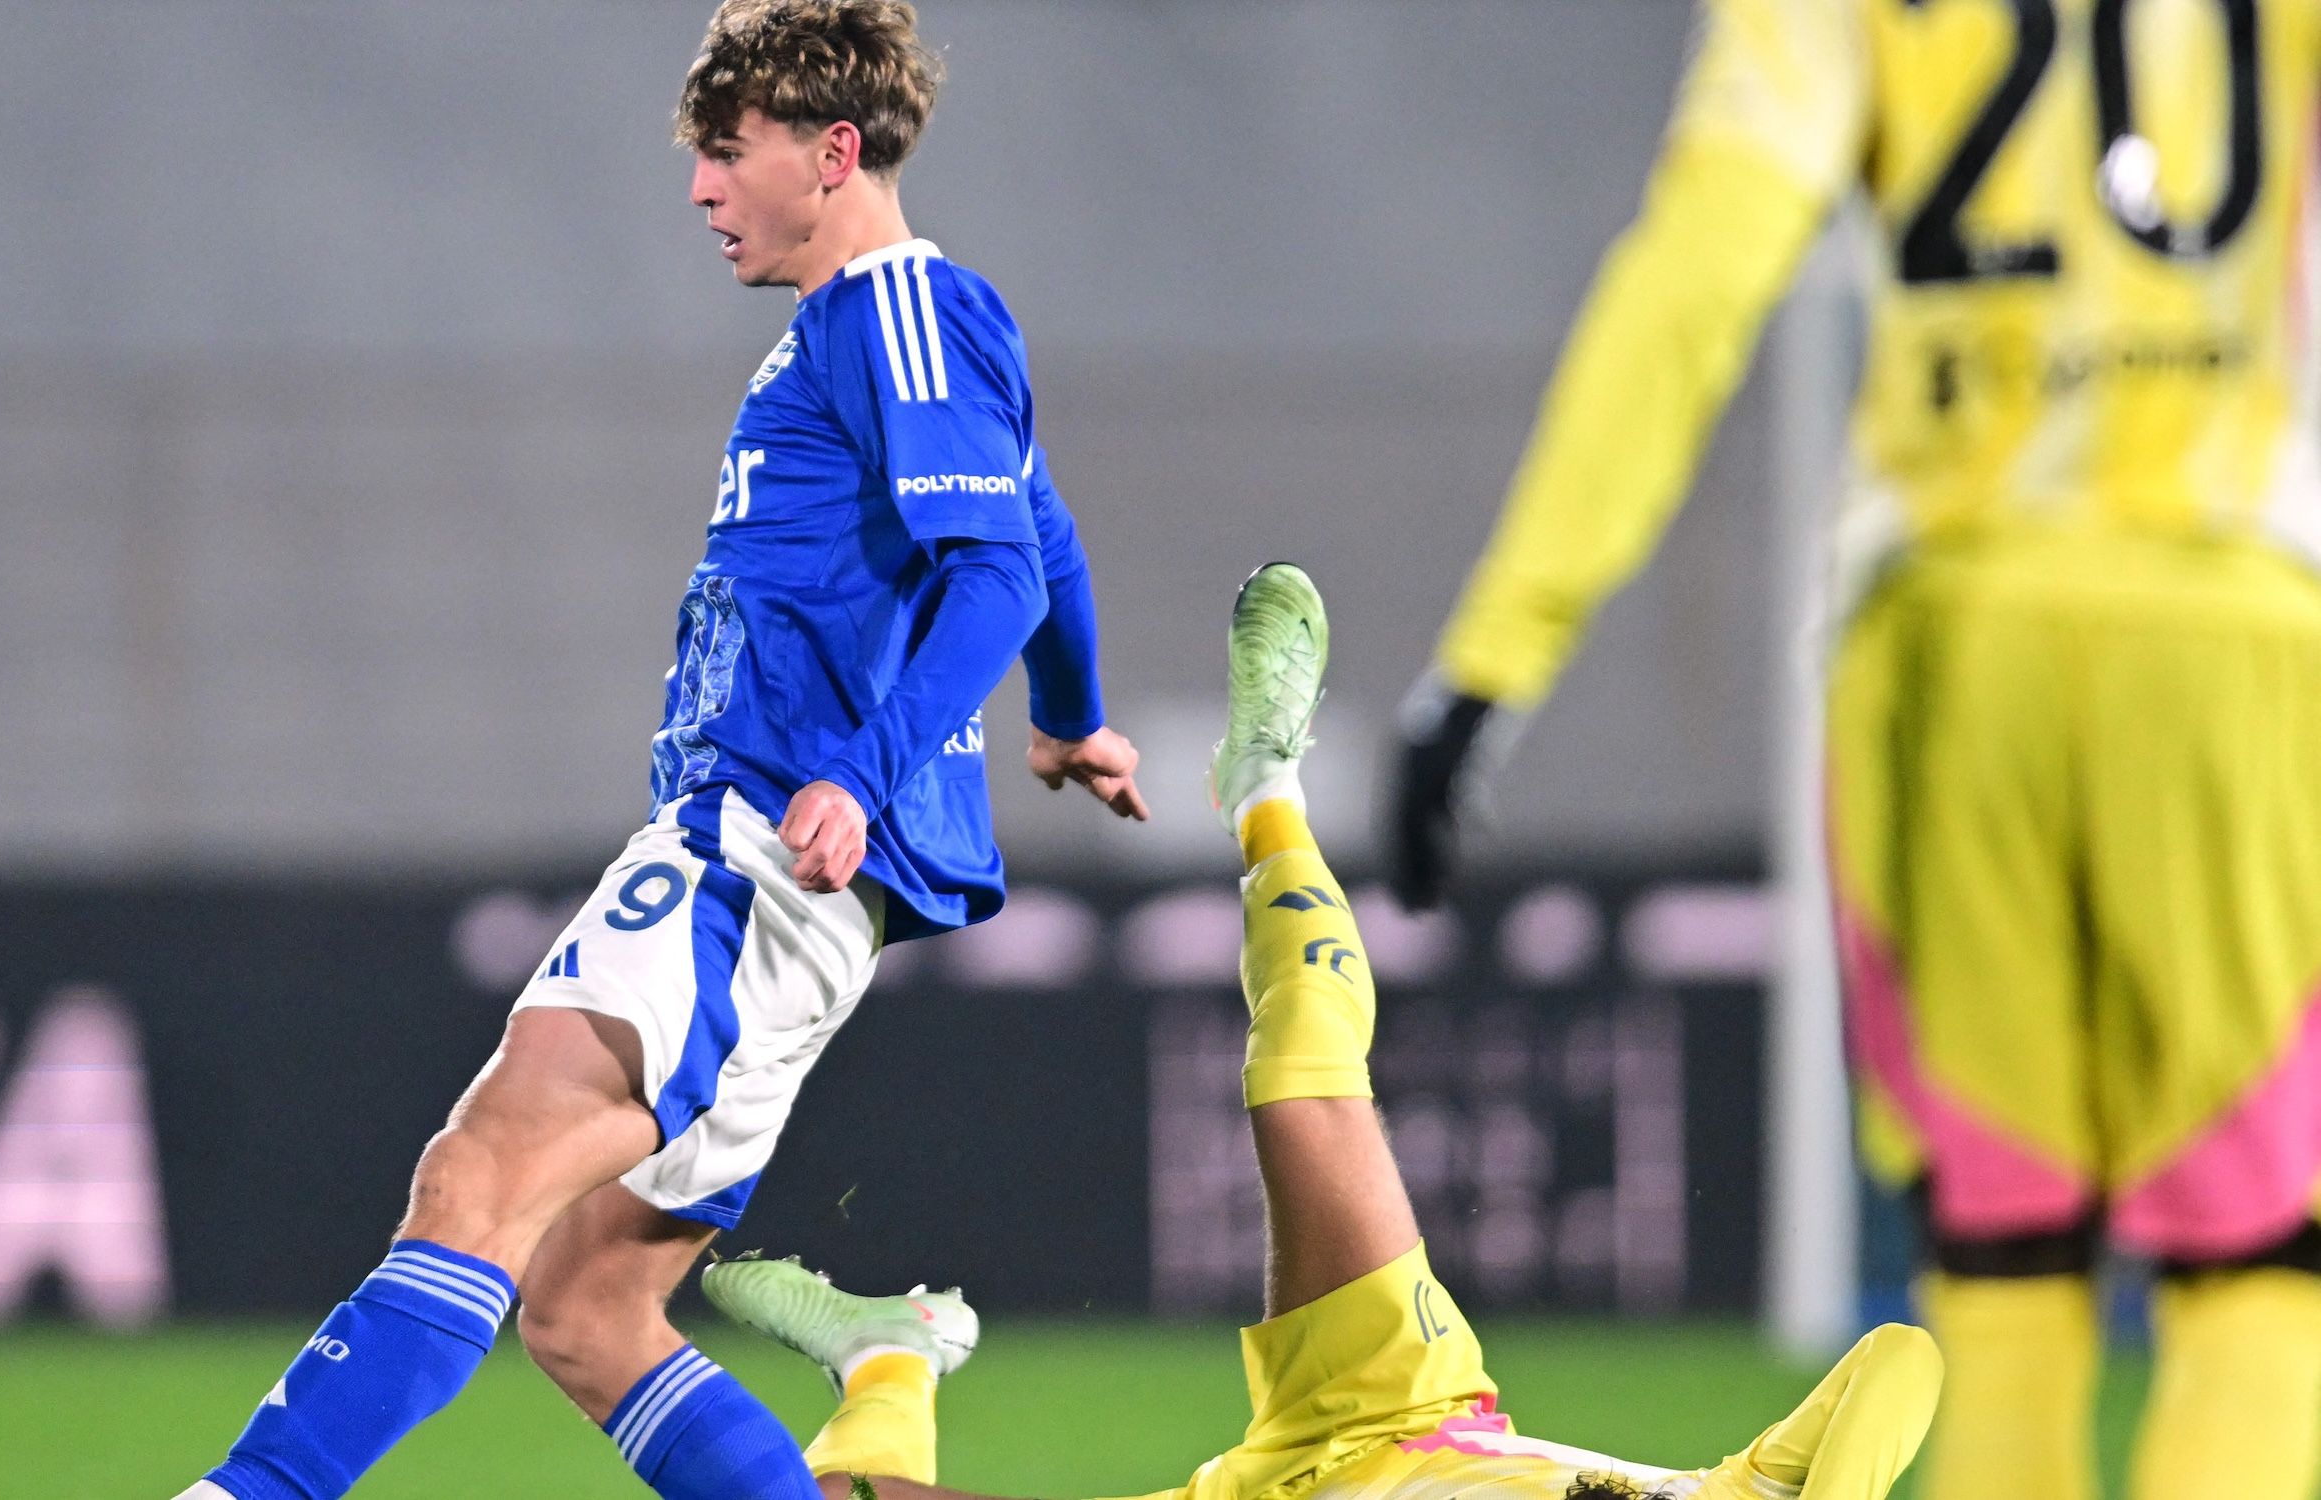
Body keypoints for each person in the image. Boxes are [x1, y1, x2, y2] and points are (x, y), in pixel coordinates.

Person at [180, 5, 1147, 1499]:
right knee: (586, 1310)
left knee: (478, 1180)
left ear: (833, 154)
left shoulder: (893, 307)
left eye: (726, 148)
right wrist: (1071, 719)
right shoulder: (900, 339)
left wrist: (863, 766)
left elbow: (1002, 570)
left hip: (757, 852)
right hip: (802, 896)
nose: (700, 186)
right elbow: (1044, 535)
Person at [1382, 2, 2321, 1495]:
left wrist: (1498, 652)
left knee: (2001, 1279)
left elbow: (1695, 278)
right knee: (2263, 1277)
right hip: (2227, 633)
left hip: (1939, 647)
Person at [708, 564, 1944, 1500]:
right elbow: (1905, 1361)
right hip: (1399, 1405)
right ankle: (1265, 791)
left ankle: (889, 1357)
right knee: (1302, 1078)